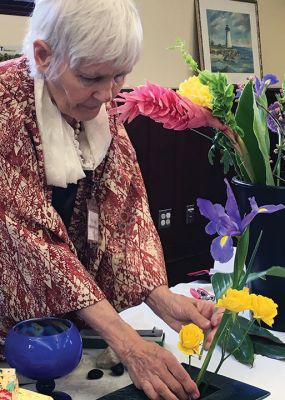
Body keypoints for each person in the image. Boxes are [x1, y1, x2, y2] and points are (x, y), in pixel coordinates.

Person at [0, 1, 221, 399]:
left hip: (71, 319)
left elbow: (126, 211)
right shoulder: (5, 107)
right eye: (91, 77)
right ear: (43, 55)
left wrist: (161, 298)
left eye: (120, 76)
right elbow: (30, 237)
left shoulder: (99, 104)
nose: (106, 94)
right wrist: (126, 341)